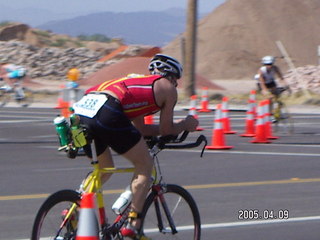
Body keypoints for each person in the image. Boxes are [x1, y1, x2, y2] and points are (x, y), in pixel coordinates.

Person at [73, 54, 199, 239]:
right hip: (107, 110)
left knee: (104, 169)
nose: (176, 85)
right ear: (170, 76)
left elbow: (140, 129)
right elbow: (166, 130)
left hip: (85, 108)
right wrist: (185, 124)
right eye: (176, 80)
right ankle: (133, 224)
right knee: (144, 166)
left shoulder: (137, 85)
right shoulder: (167, 88)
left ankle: (74, 207)